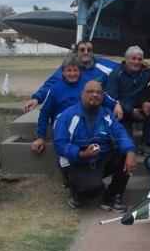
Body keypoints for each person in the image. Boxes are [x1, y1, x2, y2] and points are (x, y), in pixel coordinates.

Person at [53, 80, 137, 211]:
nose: (95, 95)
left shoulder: (106, 114)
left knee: (124, 152)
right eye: (90, 92)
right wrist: (81, 154)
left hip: (99, 159)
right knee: (91, 191)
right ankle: (76, 191)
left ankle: (111, 197)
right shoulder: (67, 116)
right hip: (77, 162)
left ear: (102, 97)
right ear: (82, 95)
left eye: (98, 92)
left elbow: (121, 133)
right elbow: (60, 145)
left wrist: (131, 151)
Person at [30, 55, 121, 154]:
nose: (72, 74)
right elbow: (44, 114)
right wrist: (40, 137)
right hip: (64, 126)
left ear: (80, 71)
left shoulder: (87, 84)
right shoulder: (55, 89)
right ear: (63, 72)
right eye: (69, 71)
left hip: (86, 123)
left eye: (75, 70)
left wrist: (115, 105)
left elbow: (102, 96)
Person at [23, 39, 119, 113]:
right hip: (72, 110)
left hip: (98, 110)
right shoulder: (68, 68)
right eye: (82, 50)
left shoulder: (104, 66)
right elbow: (51, 84)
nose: (86, 52)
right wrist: (37, 99)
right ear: (77, 52)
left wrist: (117, 104)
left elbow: (123, 70)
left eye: (89, 50)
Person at [105, 45, 150, 145]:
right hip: (122, 112)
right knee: (128, 143)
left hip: (140, 108)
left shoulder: (145, 71)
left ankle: (147, 143)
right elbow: (111, 97)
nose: (136, 62)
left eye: (139, 59)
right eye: (133, 58)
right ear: (126, 59)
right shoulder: (116, 74)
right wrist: (130, 111)